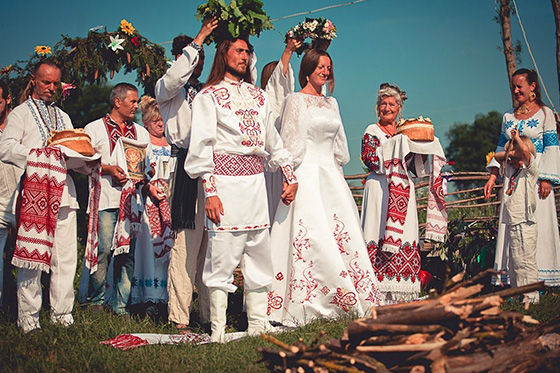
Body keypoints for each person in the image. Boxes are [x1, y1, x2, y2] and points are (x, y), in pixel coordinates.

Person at [185, 37, 298, 342]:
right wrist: (210, 191)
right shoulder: (208, 97)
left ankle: (258, 324)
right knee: (221, 256)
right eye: (238, 50)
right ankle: (218, 329)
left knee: (260, 254)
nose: (245, 56)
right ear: (224, 54)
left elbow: (272, 140)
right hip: (224, 185)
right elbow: (202, 146)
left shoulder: (259, 97)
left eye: (248, 51)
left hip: (255, 185)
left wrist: (290, 175)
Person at [268, 49, 382, 327]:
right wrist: (290, 177)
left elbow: (340, 146)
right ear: (308, 68)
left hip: (330, 175)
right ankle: (306, 300)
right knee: (312, 235)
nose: (325, 71)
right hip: (305, 173)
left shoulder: (333, 103)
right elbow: (289, 142)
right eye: (320, 66)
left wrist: (337, 175)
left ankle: (345, 296)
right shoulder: (294, 100)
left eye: (328, 67)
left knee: (341, 233)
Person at [0, 59, 79, 332]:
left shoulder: (64, 117)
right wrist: (38, 156)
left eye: (56, 83)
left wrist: (86, 159)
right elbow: (6, 147)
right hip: (34, 190)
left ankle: (62, 315)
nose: (51, 88)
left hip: (65, 193)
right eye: (46, 82)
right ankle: (28, 320)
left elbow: (72, 154)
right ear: (33, 79)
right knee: (32, 257)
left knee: (65, 257)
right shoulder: (20, 113)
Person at [155, 18, 217, 329]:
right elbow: (175, 77)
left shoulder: (206, 91)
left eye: (202, 56)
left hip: (211, 167)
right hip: (184, 167)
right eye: (193, 54)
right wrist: (200, 37)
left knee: (211, 246)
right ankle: (179, 316)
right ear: (178, 57)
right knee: (184, 246)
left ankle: (209, 315)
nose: (198, 60)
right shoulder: (167, 89)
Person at [81, 83, 162, 315]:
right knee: (104, 251)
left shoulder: (140, 132)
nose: (136, 106)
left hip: (132, 203)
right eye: (133, 101)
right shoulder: (94, 129)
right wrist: (107, 168)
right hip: (106, 199)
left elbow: (149, 166)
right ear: (118, 102)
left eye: (137, 102)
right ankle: (95, 302)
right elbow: (82, 163)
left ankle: (120, 306)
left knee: (127, 255)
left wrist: (148, 173)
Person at [484, 68, 560, 287]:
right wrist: (493, 175)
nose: (516, 90)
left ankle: (543, 278)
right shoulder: (508, 116)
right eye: (514, 87)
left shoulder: (545, 115)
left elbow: (552, 147)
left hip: (535, 177)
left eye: (520, 86)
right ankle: (512, 278)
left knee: (538, 224)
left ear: (532, 86)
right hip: (513, 178)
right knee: (513, 223)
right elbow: (500, 146)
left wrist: (547, 178)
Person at [360, 84, 421, 303]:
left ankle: (402, 293)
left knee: (403, 233)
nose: (386, 108)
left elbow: (414, 166)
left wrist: (417, 148)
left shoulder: (407, 133)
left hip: (402, 188)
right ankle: (375, 292)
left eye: (391, 104)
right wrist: (396, 147)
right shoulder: (372, 131)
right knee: (377, 230)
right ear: (378, 108)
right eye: (383, 104)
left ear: (399, 108)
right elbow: (369, 159)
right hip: (380, 188)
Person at [129, 96, 173, 312]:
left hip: (168, 199)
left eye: (162, 119)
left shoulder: (172, 142)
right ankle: (145, 295)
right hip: (147, 201)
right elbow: (136, 171)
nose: (160, 124)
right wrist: (149, 186)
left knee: (168, 246)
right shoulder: (142, 141)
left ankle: (164, 296)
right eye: (155, 120)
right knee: (146, 247)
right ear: (146, 122)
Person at [492, 129, 540, 303]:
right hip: (513, 219)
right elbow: (498, 156)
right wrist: (511, 151)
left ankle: (532, 295)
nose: (512, 160)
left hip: (525, 220)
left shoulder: (530, 169)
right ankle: (519, 292)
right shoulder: (513, 170)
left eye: (514, 156)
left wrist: (517, 139)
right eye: (510, 157)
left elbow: (525, 152)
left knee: (526, 260)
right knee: (515, 260)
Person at [261, 38, 303, 221]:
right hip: (273, 163)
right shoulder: (267, 101)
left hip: (288, 162)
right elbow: (279, 83)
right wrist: (288, 51)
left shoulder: (293, 102)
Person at [0, 80, 22, 310]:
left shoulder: (19, 125)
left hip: (23, 198)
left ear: (7, 100)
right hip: (0, 201)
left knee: (27, 257)